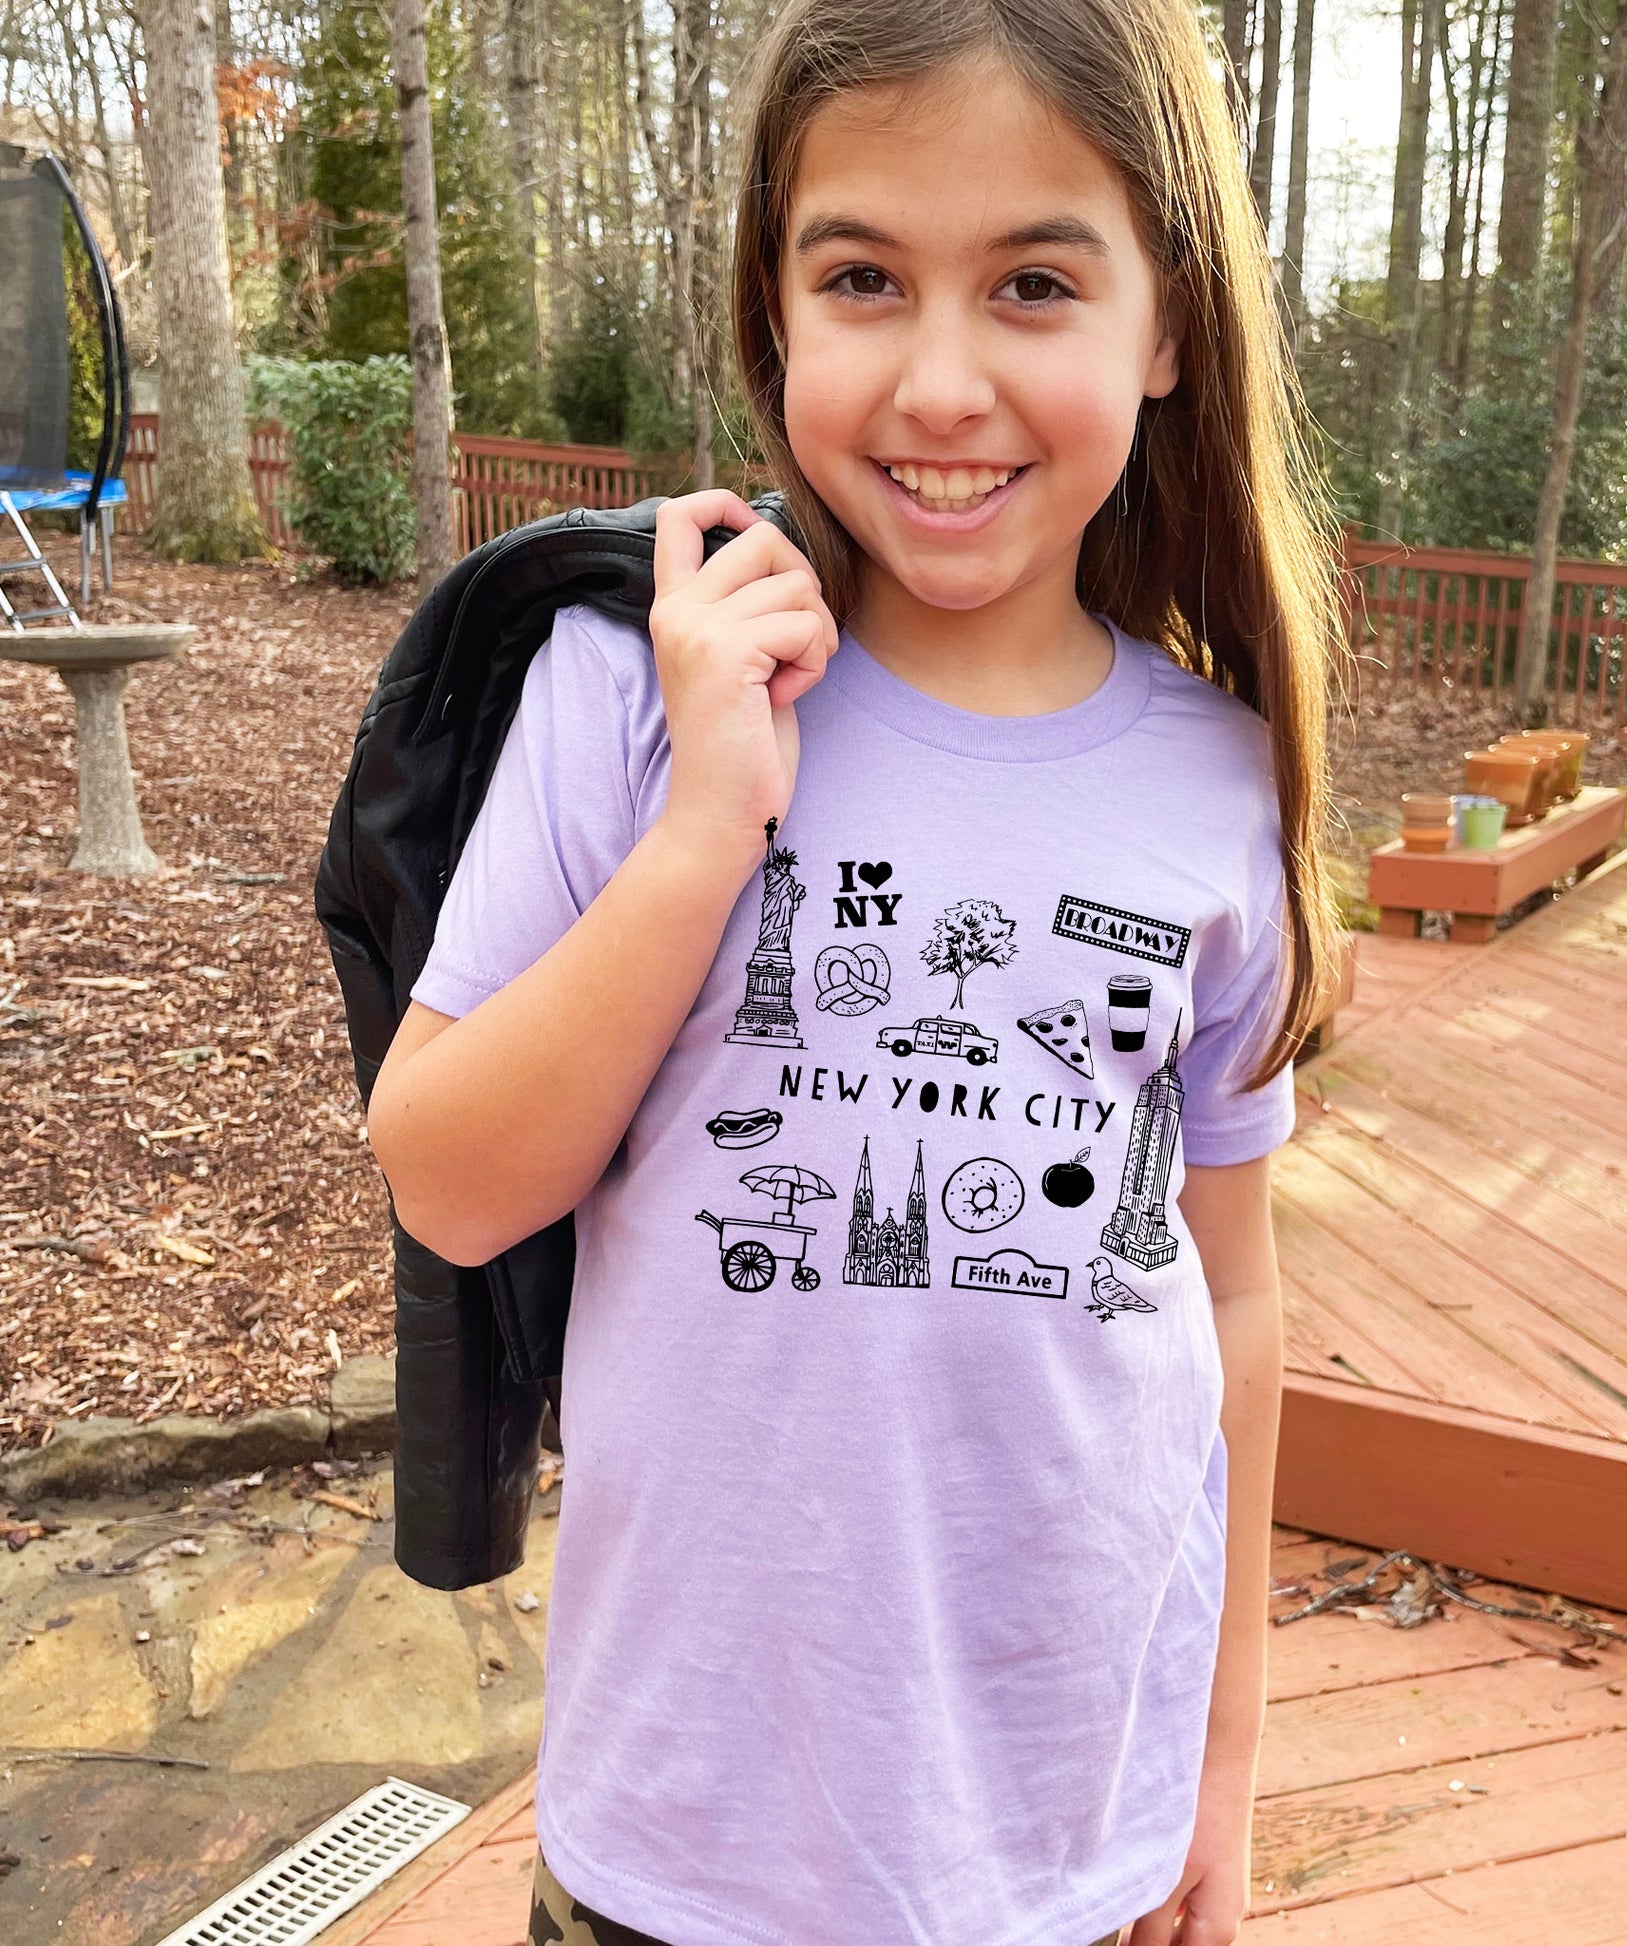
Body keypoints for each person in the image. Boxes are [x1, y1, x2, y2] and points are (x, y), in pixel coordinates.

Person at [366, 0, 1343, 1939]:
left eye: (1037, 282)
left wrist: (1217, 1767)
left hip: (1067, 1848)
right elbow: (451, 1181)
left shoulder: (1219, 779)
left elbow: (1229, 1303)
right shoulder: (631, 692)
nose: (943, 379)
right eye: (865, 277)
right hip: (686, 1846)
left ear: (1164, 329)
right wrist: (709, 820)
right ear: (776, 307)